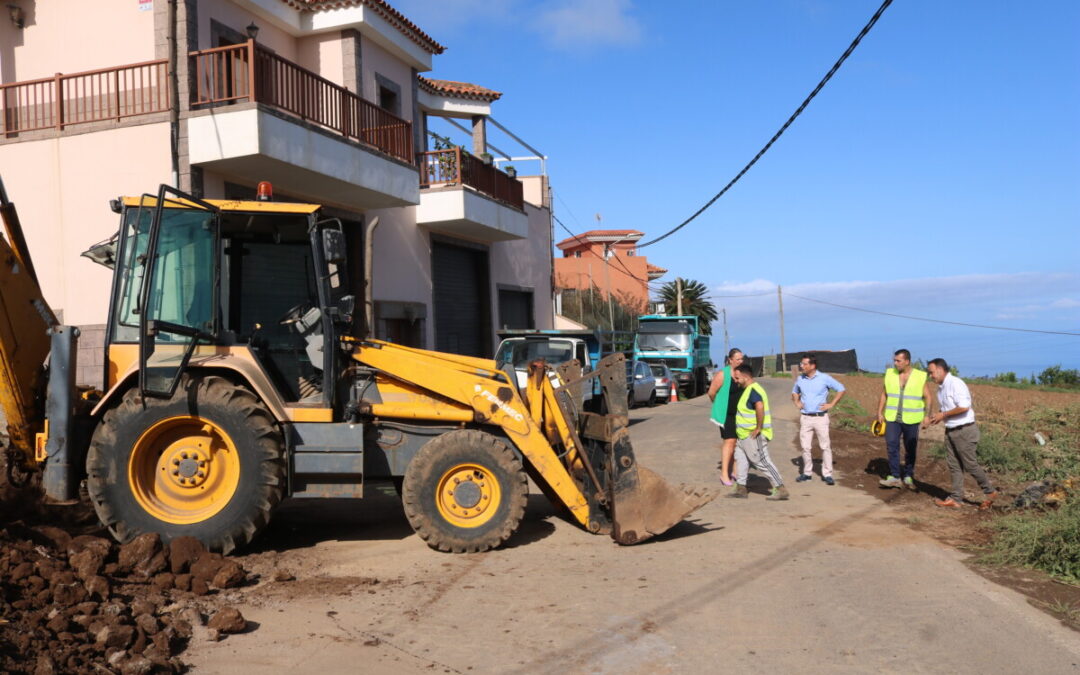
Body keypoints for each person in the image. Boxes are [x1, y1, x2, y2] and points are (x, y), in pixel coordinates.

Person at [926, 358, 998, 509]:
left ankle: (990, 492)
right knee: (954, 465)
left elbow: (964, 406)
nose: (930, 376)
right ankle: (956, 498)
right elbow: (947, 408)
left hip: (964, 431)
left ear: (940, 370)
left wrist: (943, 415)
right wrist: (937, 417)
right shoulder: (941, 388)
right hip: (951, 430)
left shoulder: (955, 383)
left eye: (931, 372)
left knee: (970, 465)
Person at [726, 364, 789, 501]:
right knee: (741, 460)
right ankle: (741, 487)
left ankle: (780, 488)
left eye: (737, 378)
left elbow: (759, 406)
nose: (735, 381)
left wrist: (758, 428)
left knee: (761, 461)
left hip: (753, 436)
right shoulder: (748, 390)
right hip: (743, 435)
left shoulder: (754, 390)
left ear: (745, 376)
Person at [876, 349, 931, 489]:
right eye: (894, 360)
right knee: (892, 445)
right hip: (892, 417)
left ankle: (908, 475)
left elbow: (928, 397)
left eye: (898, 361)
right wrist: (879, 412)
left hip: (912, 419)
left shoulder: (919, 376)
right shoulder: (890, 374)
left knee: (910, 448)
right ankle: (895, 476)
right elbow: (884, 394)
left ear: (907, 361)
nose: (895, 363)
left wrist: (927, 416)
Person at [791, 354, 846, 485]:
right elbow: (794, 391)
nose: (801, 366)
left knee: (825, 446)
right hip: (805, 417)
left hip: (820, 418)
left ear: (812, 366)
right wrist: (797, 402)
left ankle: (827, 474)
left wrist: (831, 404)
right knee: (805, 447)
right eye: (801, 364)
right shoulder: (800, 379)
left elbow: (841, 389)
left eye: (804, 364)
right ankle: (807, 473)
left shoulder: (824, 378)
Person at [708, 348, 745, 486]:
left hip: (740, 414)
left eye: (742, 359)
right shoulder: (722, 374)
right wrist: (719, 405)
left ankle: (736, 471)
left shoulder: (742, 373)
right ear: (730, 360)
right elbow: (711, 392)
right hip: (726, 415)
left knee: (739, 443)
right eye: (738, 359)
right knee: (729, 442)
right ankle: (724, 474)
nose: (741, 361)